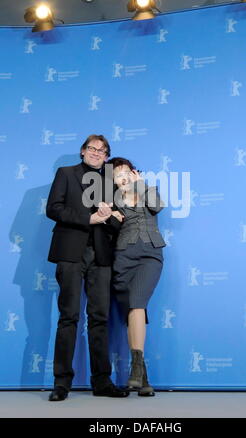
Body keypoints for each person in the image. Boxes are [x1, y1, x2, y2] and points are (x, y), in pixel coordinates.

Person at [46, 135, 129, 401]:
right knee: (69, 316)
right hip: (70, 252)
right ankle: (61, 383)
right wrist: (89, 217)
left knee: (100, 319)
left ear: (106, 156)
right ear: (83, 151)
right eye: (92, 148)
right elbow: (53, 208)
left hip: (101, 256)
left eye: (102, 150)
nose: (97, 153)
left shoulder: (110, 182)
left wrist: (111, 218)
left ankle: (102, 381)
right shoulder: (66, 173)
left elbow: (117, 224)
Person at [107, 157, 166, 397]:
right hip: (123, 257)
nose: (122, 177)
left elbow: (158, 206)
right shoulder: (111, 200)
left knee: (138, 302)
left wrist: (140, 184)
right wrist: (110, 215)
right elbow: (108, 230)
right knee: (133, 308)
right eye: (116, 175)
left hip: (150, 255)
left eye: (125, 172)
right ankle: (142, 376)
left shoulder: (148, 191)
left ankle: (136, 369)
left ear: (133, 173)